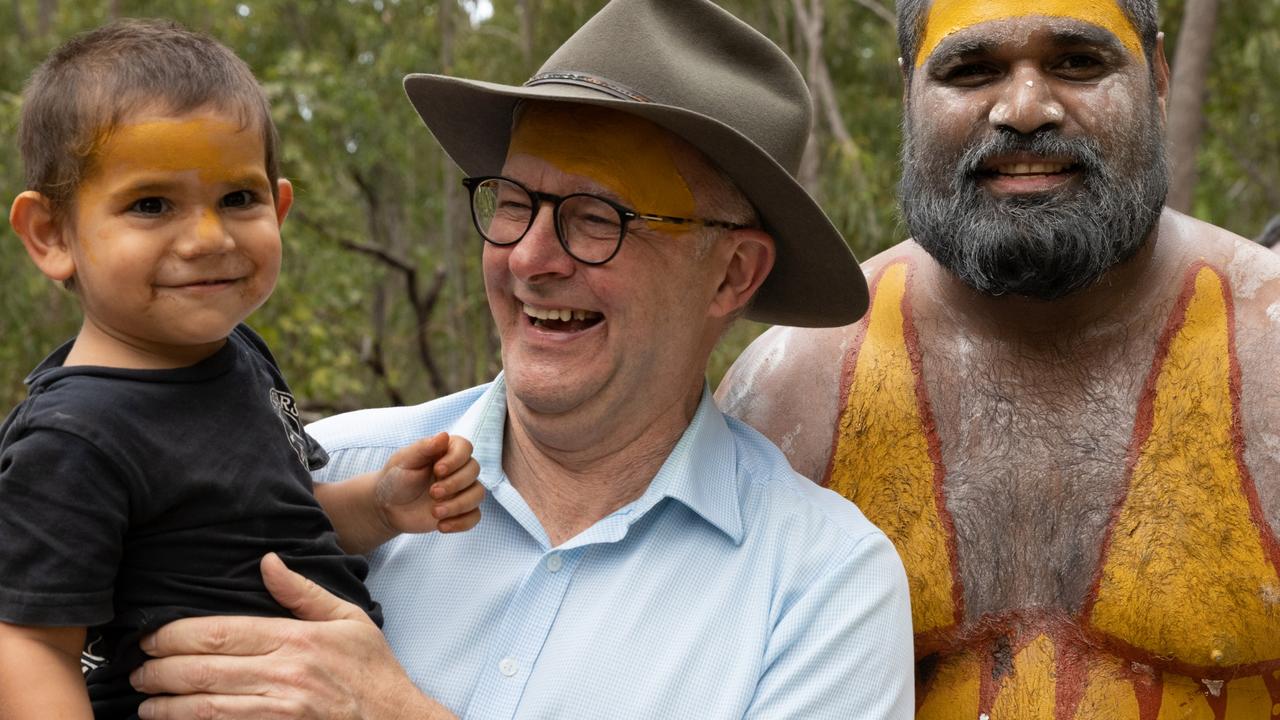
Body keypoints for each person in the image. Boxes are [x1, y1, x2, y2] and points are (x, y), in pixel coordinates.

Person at [123, 1, 915, 718]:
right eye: (511, 201)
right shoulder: (325, 478)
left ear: (733, 273)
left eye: (595, 217)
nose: (530, 256)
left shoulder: (820, 589)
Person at [718, 0, 1280, 716]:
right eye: (972, 69)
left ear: (1159, 77)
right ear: (908, 95)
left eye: (1078, 62)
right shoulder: (790, 396)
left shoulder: (1269, 360)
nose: (1024, 109)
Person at [0, 20, 482, 720]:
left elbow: (281, 520)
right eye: (151, 204)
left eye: (238, 199)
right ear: (52, 235)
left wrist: (379, 505)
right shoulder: (72, 438)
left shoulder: (242, 356)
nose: (208, 239)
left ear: (279, 209)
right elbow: (30, 646)